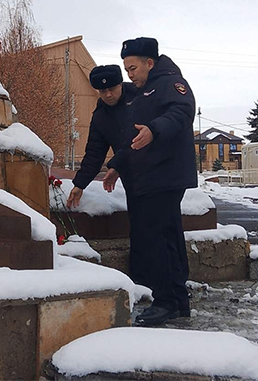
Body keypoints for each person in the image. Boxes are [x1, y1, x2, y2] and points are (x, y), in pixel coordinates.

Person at [103, 37, 197, 326]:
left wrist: (155, 130)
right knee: (168, 238)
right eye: (127, 69)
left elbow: (182, 112)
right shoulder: (143, 93)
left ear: (149, 63)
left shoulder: (170, 83)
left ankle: (166, 301)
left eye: (133, 68)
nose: (130, 75)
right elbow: (134, 137)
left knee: (157, 238)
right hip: (152, 176)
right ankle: (177, 301)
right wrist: (117, 165)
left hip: (165, 175)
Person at [66, 65, 138, 209]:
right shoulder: (101, 115)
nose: (108, 95)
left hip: (158, 171)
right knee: (138, 219)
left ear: (120, 84)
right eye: (103, 91)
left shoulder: (140, 98)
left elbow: (138, 140)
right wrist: (80, 184)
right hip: (131, 176)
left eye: (112, 89)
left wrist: (117, 165)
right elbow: (94, 152)